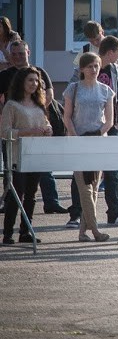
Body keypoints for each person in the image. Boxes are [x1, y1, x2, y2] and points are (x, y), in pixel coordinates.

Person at [69, 36, 118, 227]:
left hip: (109, 128)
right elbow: (71, 95)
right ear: (110, 52)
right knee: (81, 173)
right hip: (83, 129)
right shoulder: (84, 68)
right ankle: (76, 214)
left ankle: (115, 212)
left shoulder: (115, 70)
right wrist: (73, 131)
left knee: (111, 171)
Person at [0, 41, 67, 214]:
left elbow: (49, 95)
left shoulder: (39, 72)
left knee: (44, 168)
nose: (17, 57)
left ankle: (51, 202)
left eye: (21, 53)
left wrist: (36, 113)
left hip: (38, 131)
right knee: (11, 170)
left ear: (28, 52)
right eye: (14, 54)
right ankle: (9, 204)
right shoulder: (5, 75)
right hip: (15, 132)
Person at [63, 52, 113, 242]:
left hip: (98, 142)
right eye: (90, 66)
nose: (94, 69)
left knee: (94, 187)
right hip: (78, 142)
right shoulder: (73, 88)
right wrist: (76, 137)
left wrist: (97, 135)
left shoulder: (106, 90)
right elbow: (67, 117)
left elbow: (109, 121)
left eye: (96, 66)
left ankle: (83, 232)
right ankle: (96, 230)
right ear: (82, 69)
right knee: (85, 189)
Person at [0, 67, 52, 244]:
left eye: (36, 81)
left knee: (31, 195)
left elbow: (45, 124)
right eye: (30, 80)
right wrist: (27, 132)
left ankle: (25, 231)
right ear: (21, 81)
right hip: (17, 157)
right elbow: (5, 132)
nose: (34, 84)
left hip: (35, 156)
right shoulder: (12, 105)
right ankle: (8, 233)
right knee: (17, 194)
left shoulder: (39, 105)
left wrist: (48, 130)